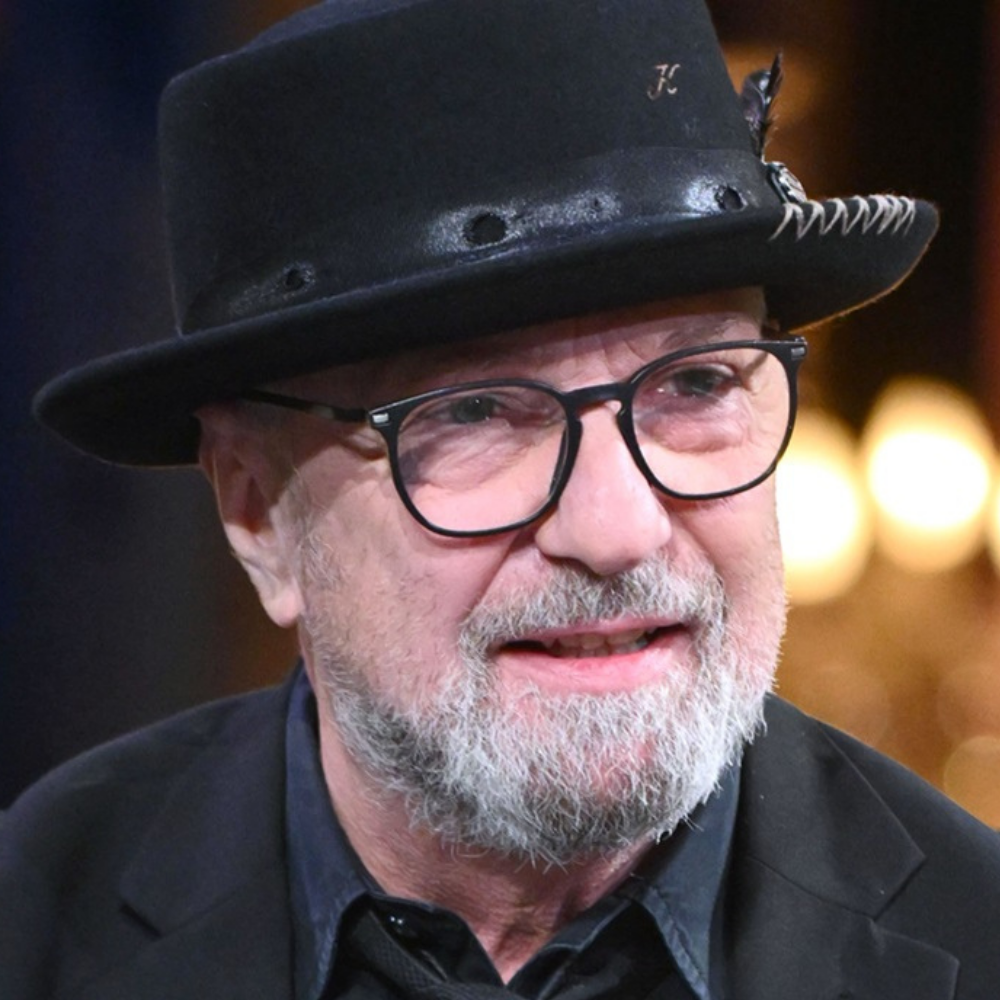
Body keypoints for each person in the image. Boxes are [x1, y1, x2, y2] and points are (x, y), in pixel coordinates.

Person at [3, 0, 999, 997]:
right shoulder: (31, 928)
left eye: (697, 384)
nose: (617, 529)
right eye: (474, 412)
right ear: (258, 511)